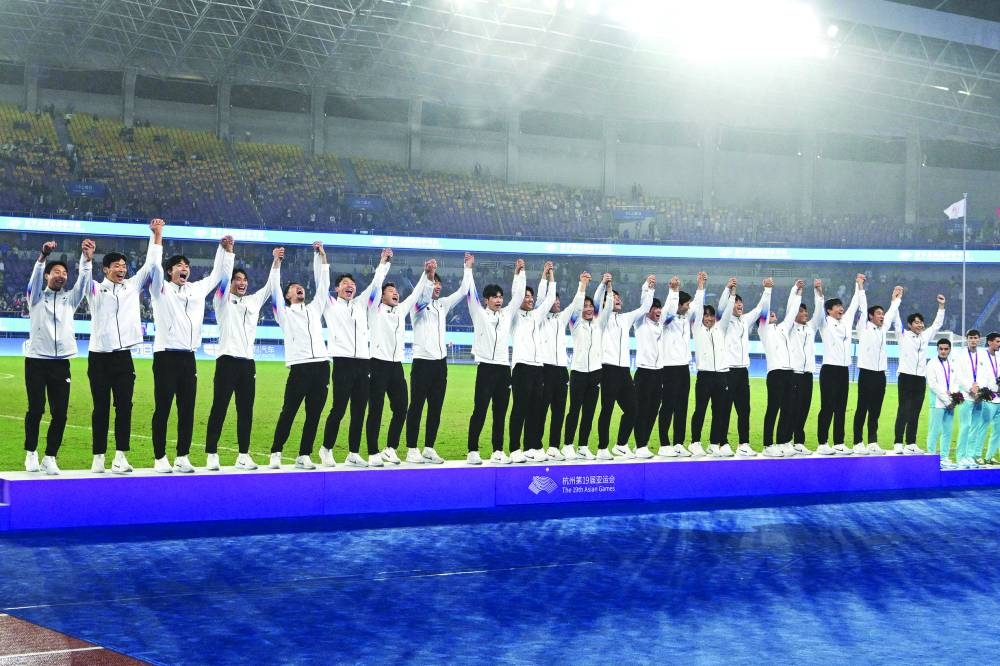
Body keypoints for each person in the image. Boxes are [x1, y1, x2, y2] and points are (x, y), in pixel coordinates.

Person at [149, 234, 234, 473]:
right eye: (179, 266)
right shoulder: (160, 289)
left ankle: (182, 456)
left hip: (188, 357)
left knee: (187, 409)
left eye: (186, 266)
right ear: (169, 272)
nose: (184, 269)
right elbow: (153, 265)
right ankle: (159, 457)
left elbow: (218, 275)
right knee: (163, 407)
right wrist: (157, 237)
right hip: (165, 355)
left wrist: (225, 250)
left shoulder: (197, 289)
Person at [86, 219, 162, 474]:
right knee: (101, 408)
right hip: (98, 357)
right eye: (117, 266)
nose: (122, 269)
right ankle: (98, 456)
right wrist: (86, 259)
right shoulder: (95, 289)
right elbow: (85, 278)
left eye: (124, 266)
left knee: (125, 407)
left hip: (123, 357)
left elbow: (151, 264)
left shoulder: (132, 286)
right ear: (106, 269)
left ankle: (120, 456)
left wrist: (157, 235)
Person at [203, 248, 279, 471]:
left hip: (248, 364)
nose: (241, 283)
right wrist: (228, 254)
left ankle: (243, 455)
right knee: (220, 408)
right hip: (226, 361)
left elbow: (271, 286)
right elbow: (223, 278)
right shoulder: (222, 301)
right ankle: (211, 454)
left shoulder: (254, 301)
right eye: (237, 279)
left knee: (246, 411)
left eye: (244, 279)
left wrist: (276, 261)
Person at [24, 238, 94, 474]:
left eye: (64, 272)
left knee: (60, 414)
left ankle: (50, 456)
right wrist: (42, 257)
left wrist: (86, 259)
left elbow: (84, 283)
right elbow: (34, 280)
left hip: (61, 363)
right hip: (36, 361)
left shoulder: (69, 300)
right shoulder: (35, 297)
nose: (61, 275)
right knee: (36, 409)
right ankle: (31, 452)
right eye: (56, 271)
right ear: (47, 276)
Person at [319, 248, 392, 467]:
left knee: (359, 410)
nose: (349, 286)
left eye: (352, 284)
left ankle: (353, 452)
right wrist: (322, 258)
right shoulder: (329, 305)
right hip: (342, 362)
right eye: (344, 284)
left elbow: (376, 283)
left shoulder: (361, 304)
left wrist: (383, 262)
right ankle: (326, 448)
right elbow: (321, 281)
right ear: (336, 288)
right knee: (339, 408)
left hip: (363, 362)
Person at [405, 254, 473, 464]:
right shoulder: (416, 306)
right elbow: (424, 297)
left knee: (436, 408)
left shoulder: (443, 304)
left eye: (438, 284)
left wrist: (467, 268)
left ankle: (429, 448)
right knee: (416, 406)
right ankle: (411, 449)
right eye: (433, 284)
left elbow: (463, 291)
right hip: (422, 362)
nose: (436, 286)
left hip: (440, 364)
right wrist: (429, 275)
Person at [270, 243, 331, 470]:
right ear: (287, 296)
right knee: (289, 412)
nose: (299, 289)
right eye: (294, 288)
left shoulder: (315, 309)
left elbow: (324, 286)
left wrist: (322, 257)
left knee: (313, 415)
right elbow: (274, 289)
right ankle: (276, 451)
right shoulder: (283, 314)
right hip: (299, 368)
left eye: (300, 287)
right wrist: (277, 262)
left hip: (322, 366)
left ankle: (304, 454)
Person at [370, 262, 434, 465]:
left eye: (396, 290)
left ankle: (390, 448)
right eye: (390, 291)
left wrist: (426, 274)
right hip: (377, 364)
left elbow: (416, 294)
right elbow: (375, 284)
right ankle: (373, 452)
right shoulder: (374, 310)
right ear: (382, 296)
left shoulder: (401, 310)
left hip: (396, 366)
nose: (395, 293)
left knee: (401, 408)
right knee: (376, 409)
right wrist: (383, 264)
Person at [466, 256, 526, 464]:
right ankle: (472, 450)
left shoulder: (507, 314)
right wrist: (468, 268)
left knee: (500, 413)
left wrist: (519, 273)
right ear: (486, 300)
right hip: (485, 369)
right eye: (495, 297)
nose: (499, 300)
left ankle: (498, 450)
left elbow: (518, 296)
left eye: (501, 296)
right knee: (480, 410)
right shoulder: (479, 314)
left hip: (503, 369)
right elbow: (470, 293)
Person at [595, 274, 654, 460]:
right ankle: (602, 448)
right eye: (614, 297)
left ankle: (621, 445)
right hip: (608, 369)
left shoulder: (626, 318)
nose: (617, 299)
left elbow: (645, 307)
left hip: (624, 371)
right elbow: (598, 301)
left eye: (619, 298)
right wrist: (605, 286)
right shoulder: (601, 320)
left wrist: (648, 287)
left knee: (633, 409)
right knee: (607, 409)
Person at [719, 276, 773, 457]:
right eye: (736, 302)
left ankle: (744, 443)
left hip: (743, 372)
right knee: (725, 409)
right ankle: (722, 443)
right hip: (728, 371)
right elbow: (721, 308)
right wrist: (729, 292)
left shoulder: (745, 320)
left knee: (744, 410)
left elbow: (760, 308)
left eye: (740, 302)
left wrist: (767, 290)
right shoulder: (724, 322)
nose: (739, 305)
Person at [537, 271, 588, 461]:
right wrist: (547, 277)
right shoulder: (539, 319)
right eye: (554, 301)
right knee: (540, 411)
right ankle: (536, 445)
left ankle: (553, 447)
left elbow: (576, 303)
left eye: (558, 302)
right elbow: (542, 298)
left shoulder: (562, 318)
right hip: (544, 369)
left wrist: (582, 284)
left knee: (558, 412)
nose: (557, 304)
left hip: (561, 371)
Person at [509, 261, 556, 463]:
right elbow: (516, 293)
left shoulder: (536, 315)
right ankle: (514, 448)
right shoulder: (512, 315)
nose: (529, 299)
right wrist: (520, 273)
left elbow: (549, 299)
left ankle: (533, 446)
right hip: (521, 367)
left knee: (537, 409)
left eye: (531, 296)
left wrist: (548, 274)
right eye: (526, 296)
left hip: (538, 368)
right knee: (520, 408)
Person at [816, 273, 865, 455]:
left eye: (841, 306)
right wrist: (819, 291)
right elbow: (819, 307)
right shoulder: (824, 322)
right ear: (829, 310)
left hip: (844, 370)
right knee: (827, 407)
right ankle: (822, 443)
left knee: (841, 408)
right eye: (837, 306)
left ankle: (838, 442)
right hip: (829, 370)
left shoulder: (846, 321)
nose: (841, 309)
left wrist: (858, 284)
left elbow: (855, 303)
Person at [564, 273, 612, 460]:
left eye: (591, 306)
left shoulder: (599, 324)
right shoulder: (575, 323)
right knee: (574, 411)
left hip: (595, 374)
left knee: (589, 413)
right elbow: (576, 305)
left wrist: (606, 286)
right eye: (585, 306)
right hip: (578, 373)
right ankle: (568, 444)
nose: (588, 308)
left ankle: (583, 446)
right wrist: (582, 285)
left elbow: (606, 307)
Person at [658, 272, 705, 458]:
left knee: (682, 407)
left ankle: (678, 443)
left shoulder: (686, 317)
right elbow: (670, 309)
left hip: (684, 368)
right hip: (669, 368)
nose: (689, 307)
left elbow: (697, 304)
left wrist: (700, 285)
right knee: (668, 406)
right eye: (686, 304)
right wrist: (674, 290)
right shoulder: (666, 320)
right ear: (679, 304)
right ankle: (664, 443)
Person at [852, 285, 903, 455]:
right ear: (870, 317)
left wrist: (896, 299)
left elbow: (891, 312)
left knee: (875, 410)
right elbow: (863, 307)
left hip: (881, 376)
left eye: (882, 313)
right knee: (862, 409)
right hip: (866, 374)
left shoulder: (882, 329)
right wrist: (860, 289)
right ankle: (858, 442)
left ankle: (872, 442)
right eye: (878, 314)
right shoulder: (863, 328)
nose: (882, 316)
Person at [892, 294, 946, 454]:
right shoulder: (903, 335)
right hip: (906, 377)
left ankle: (911, 442)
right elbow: (895, 321)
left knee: (915, 411)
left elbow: (937, 324)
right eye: (916, 322)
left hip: (920, 379)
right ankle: (897, 442)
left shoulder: (925, 336)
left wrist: (941, 307)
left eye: (921, 322)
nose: (920, 324)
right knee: (903, 410)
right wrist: (895, 301)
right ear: (909, 324)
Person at [758, 280, 802, 457]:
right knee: (773, 408)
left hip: (789, 372)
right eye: (770, 314)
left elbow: (792, 312)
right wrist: (768, 290)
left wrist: (796, 291)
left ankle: (783, 441)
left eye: (774, 313)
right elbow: (764, 310)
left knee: (788, 408)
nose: (772, 314)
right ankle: (768, 445)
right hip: (775, 373)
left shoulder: (783, 328)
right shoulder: (763, 330)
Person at [690, 292, 734, 457]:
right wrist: (701, 288)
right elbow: (699, 310)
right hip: (705, 376)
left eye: (711, 316)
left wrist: (732, 295)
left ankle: (714, 443)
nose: (708, 318)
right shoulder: (697, 329)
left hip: (722, 376)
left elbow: (728, 312)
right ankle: (695, 442)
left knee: (719, 411)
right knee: (700, 410)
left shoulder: (720, 329)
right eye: (706, 315)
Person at [789, 280, 825, 455]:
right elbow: (791, 305)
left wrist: (818, 291)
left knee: (804, 408)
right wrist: (797, 290)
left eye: (805, 311)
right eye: (801, 311)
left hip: (808, 375)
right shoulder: (788, 327)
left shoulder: (810, 328)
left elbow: (819, 311)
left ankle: (799, 441)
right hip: (793, 374)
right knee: (791, 408)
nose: (804, 313)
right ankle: (787, 440)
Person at [632, 276, 663, 459]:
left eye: (659, 308)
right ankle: (640, 444)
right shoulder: (640, 322)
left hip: (658, 373)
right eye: (654, 308)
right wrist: (648, 287)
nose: (658, 311)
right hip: (644, 372)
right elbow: (644, 303)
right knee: (642, 409)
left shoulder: (661, 325)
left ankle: (644, 442)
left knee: (653, 409)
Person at [954, 329, 987, 467]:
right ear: (967, 339)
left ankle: (969, 455)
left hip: (979, 397)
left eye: (975, 338)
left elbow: (986, 374)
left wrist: (980, 391)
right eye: (971, 338)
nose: (973, 340)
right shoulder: (960, 355)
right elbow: (959, 376)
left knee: (975, 427)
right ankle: (960, 456)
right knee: (965, 427)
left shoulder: (984, 355)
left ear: (979, 340)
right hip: (966, 397)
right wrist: (970, 389)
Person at [926, 338, 958, 468]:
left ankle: (944, 457)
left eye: (946, 349)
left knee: (947, 431)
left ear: (950, 349)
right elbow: (933, 384)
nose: (943, 351)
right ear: (937, 349)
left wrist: (954, 398)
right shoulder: (931, 364)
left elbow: (956, 381)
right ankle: (931, 457)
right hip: (938, 402)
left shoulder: (953, 363)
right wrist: (946, 399)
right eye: (941, 349)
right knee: (934, 430)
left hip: (951, 403)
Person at [973, 332, 1000, 465]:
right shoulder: (982, 355)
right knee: (983, 427)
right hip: (989, 398)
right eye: (996, 341)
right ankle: (977, 455)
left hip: (999, 399)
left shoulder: (999, 356)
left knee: (998, 430)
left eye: (999, 342)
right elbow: (979, 375)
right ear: (989, 342)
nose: (998, 344)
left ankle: (990, 456)